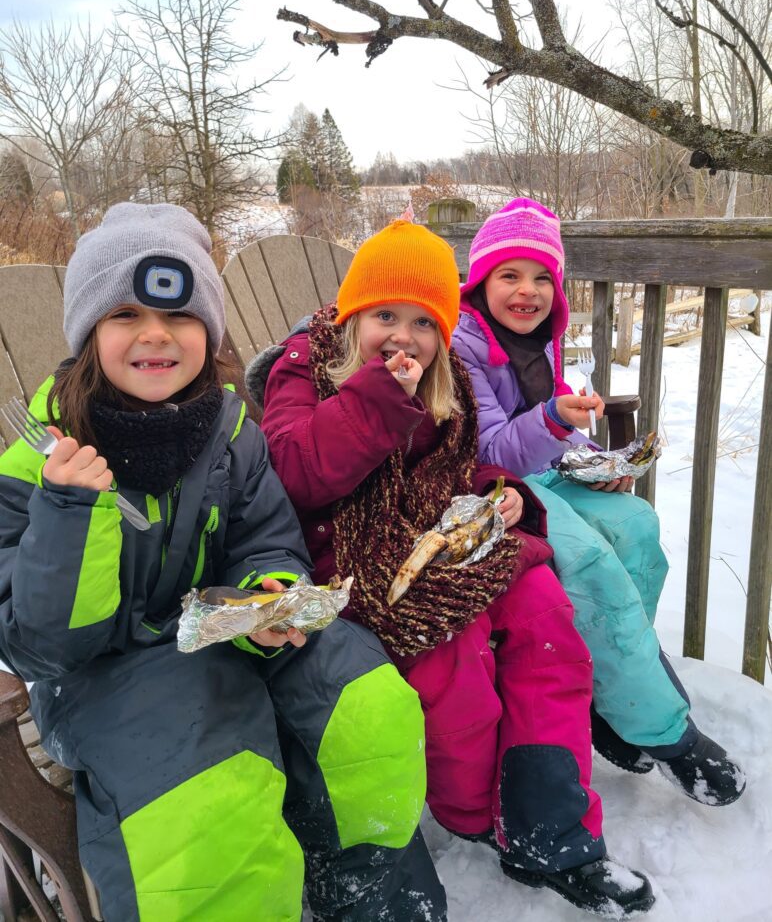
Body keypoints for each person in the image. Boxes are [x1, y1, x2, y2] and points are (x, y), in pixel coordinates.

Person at [0, 203, 446, 922]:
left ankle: (366, 891)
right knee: (208, 798)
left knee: (361, 697)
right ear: (87, 333)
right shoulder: (36, 466)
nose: (155, 335)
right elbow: (42, 647)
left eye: (179, 318)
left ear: (208, 331)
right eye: (125, 316)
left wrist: (270, 594)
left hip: (226, 635)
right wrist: (69, 513)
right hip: (106, 678)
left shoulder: (230, 431)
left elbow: (266, 536)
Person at [254, 216, 655, 918]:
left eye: (422, 322)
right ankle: (473, 813)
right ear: (351, 318)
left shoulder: (446, 383)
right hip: (360, 566)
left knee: (546, 619)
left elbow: (470, 461)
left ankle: (550, 832)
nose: (401, 336)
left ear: (444, 332)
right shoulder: (305, 369)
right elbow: (294, 473)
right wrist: (378, 400)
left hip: (448, 539)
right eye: (383, 315)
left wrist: (505, 497)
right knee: (455, 662)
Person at [452, 197, 746, 805]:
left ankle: (607, 704)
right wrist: (557, 420)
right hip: (488, 488)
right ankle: (664, 731)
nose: (526, 291)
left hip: (539, 472)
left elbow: (557, 421)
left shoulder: (541, 338)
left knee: (637, 526)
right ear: (482, 282)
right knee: (588, 561)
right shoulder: (464, 346)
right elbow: (495, 447)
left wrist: (595, 464)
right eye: (509, 275)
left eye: (541, 278)